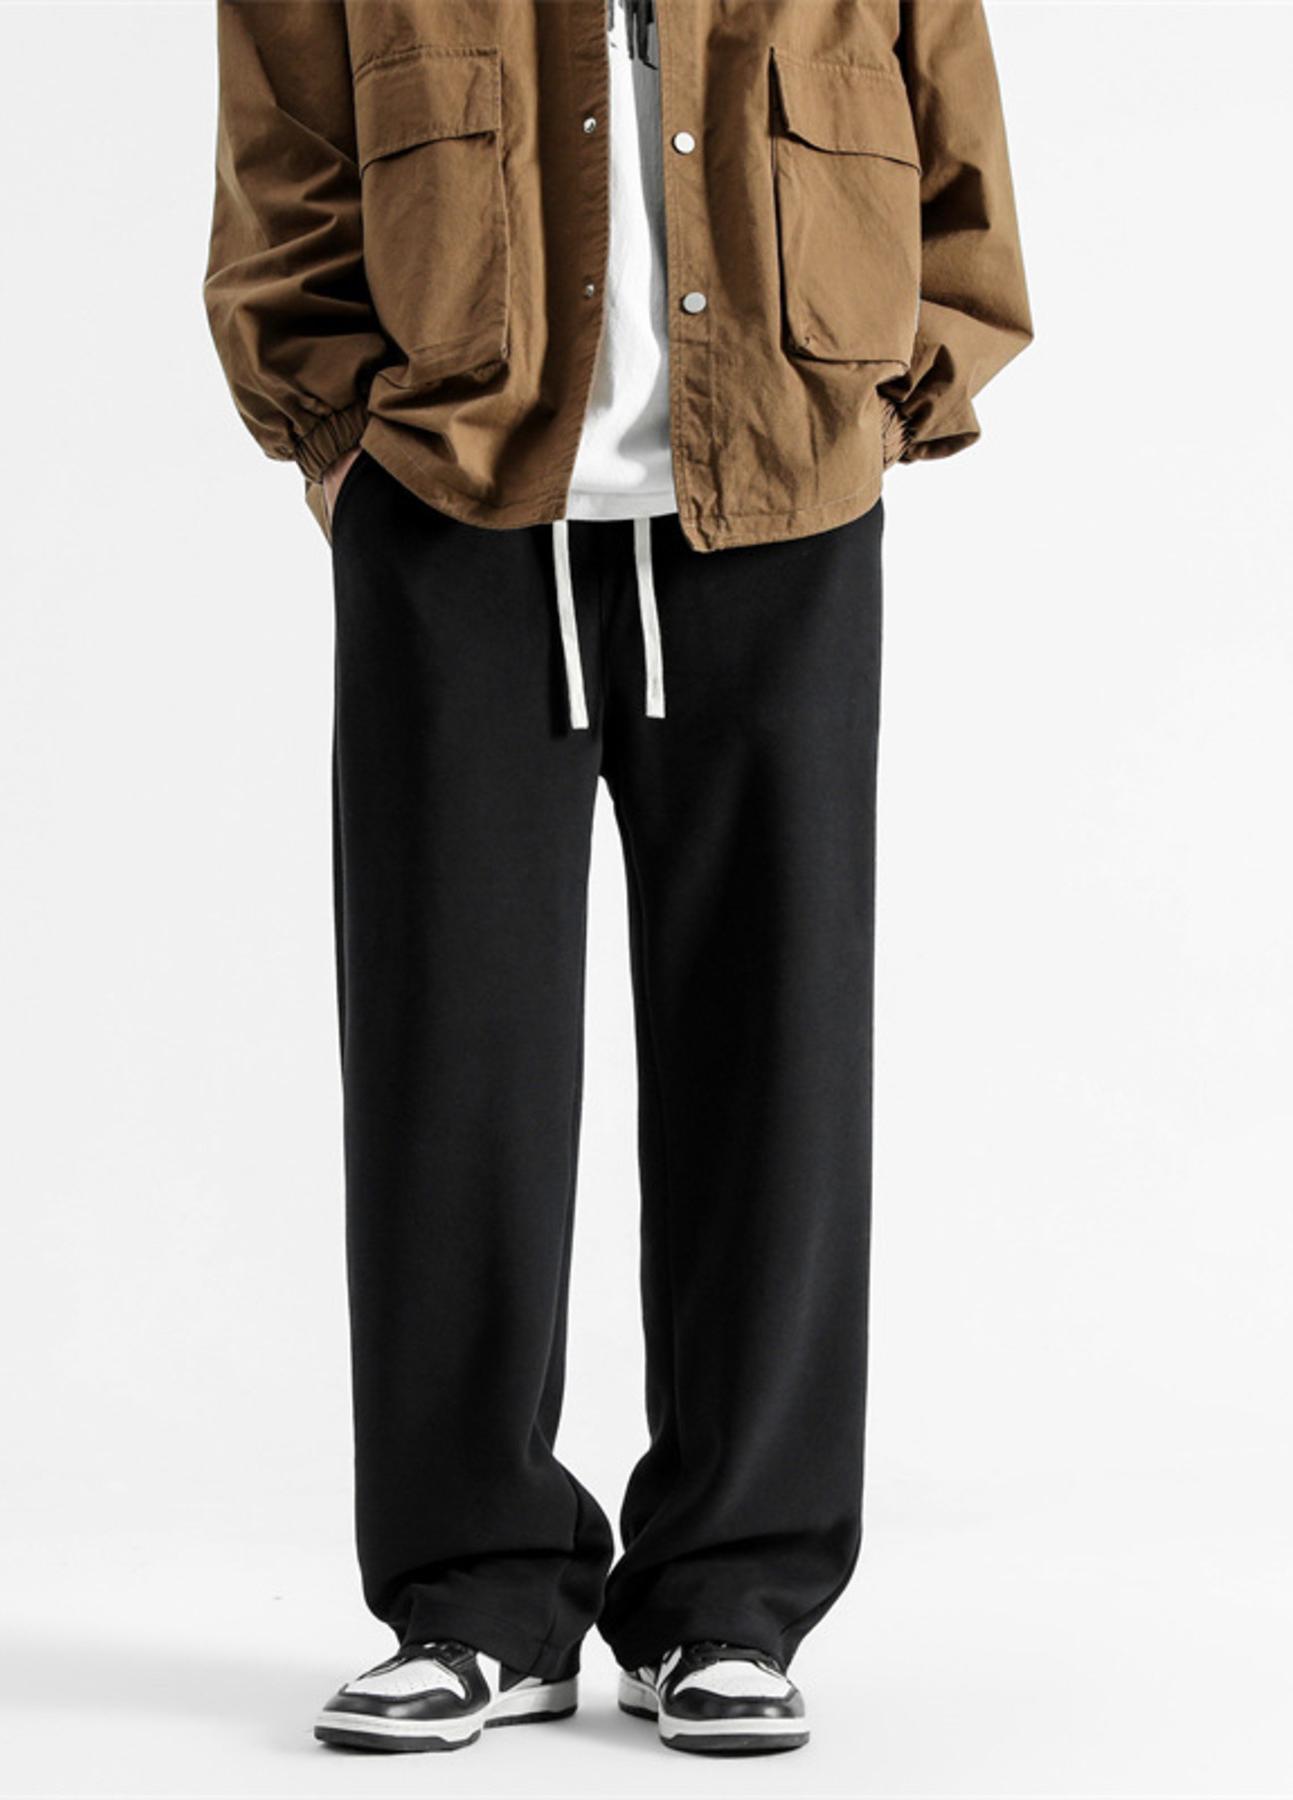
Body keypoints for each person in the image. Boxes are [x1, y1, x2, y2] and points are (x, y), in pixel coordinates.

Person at [202, 0, 1031, 1759]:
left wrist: (888, 400)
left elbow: (953, 141)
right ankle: (473, 1598)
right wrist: (340, 443)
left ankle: (729, 1598)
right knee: (450, 1065)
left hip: (782, 502)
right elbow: (286, 158)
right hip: (454, 506)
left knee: (775, 1053)